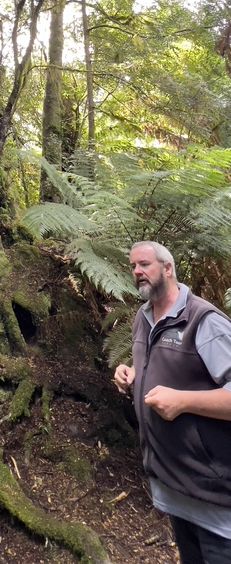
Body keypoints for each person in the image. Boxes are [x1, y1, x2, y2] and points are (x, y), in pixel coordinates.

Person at [114, 240, 231, 564]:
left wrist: (182, 401)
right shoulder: (144, 317)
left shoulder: (203, 321)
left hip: (216, 501)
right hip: (175, 490)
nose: (137, 271)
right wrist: (132, 373)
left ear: (168, 268)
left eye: (145, 264)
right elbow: (159, 363)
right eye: (133, 266)